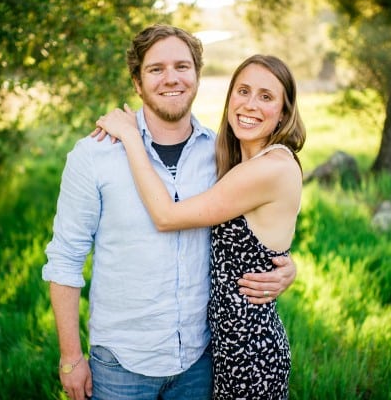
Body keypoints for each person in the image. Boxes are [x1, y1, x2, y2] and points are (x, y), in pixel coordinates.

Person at [42, 24, 297, 400]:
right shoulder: (95, 155)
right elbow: (65, 258)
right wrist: (70, 357)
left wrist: (285, 265)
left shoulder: (220, 153)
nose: (171, 78)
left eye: (182, 66)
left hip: (201, 361)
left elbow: (259, 224)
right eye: (156, 69)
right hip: (121, 366)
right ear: (137, 81)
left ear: (197, 75)